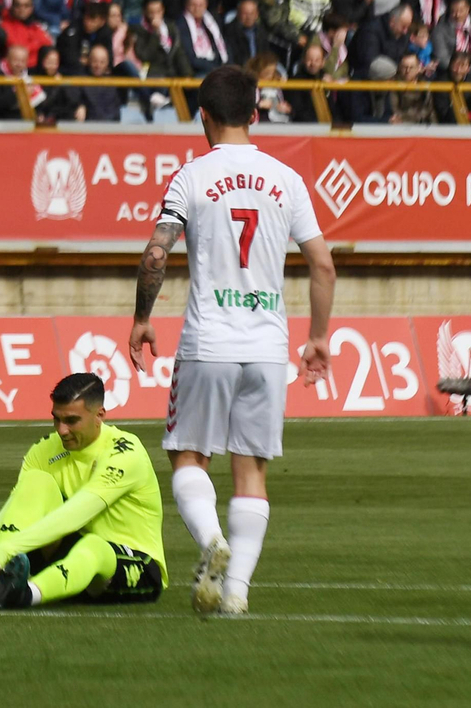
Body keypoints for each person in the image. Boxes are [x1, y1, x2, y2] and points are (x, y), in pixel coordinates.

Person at [127, 65, 337, 616]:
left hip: (208, 342)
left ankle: (211, 543)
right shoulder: (287, 179)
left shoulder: (191, 176)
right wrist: (318, 338)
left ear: (203, 116)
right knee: (252, 471)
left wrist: (142, 318)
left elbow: (156, 252)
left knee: (187, 456)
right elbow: (323, 265)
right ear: (256, 113)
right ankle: (237, 593)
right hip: (268, 347)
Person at [0, 372, 166, 610]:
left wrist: (7, 549)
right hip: (70, 565)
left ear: (100, 415)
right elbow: (16, 507)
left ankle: (23, 595)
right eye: (56, 419)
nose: (61, 430)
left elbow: (79, 512)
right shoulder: (45, 450)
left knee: (93, 546)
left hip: (134, 565)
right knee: (36, 481)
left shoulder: (125, 452)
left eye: (72, 421)